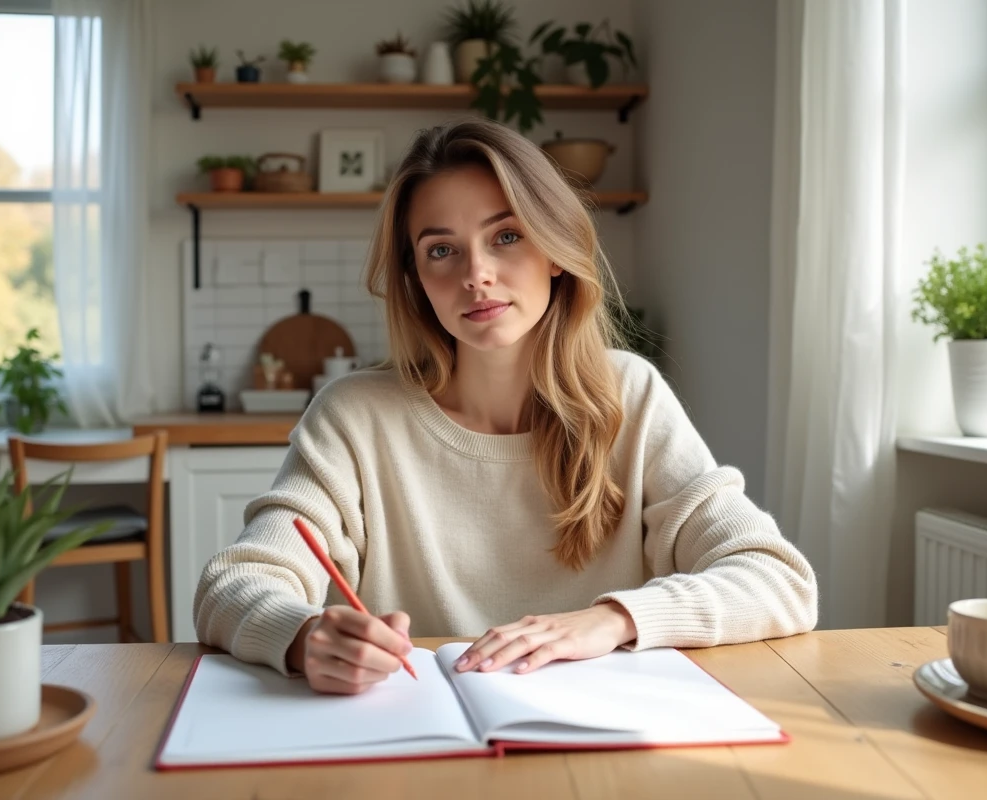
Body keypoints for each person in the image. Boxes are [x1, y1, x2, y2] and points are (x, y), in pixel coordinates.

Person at [193, 118, 818, 695]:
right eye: (442, 249)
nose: (477, 274)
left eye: (507, 236)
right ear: (415, 280)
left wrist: (612, 619)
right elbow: (233, 584)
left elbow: (777, 577)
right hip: (413, 742)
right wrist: (303, 637)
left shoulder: (631, 394)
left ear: (554, 251)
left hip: (603, 739)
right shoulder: (353, 415)